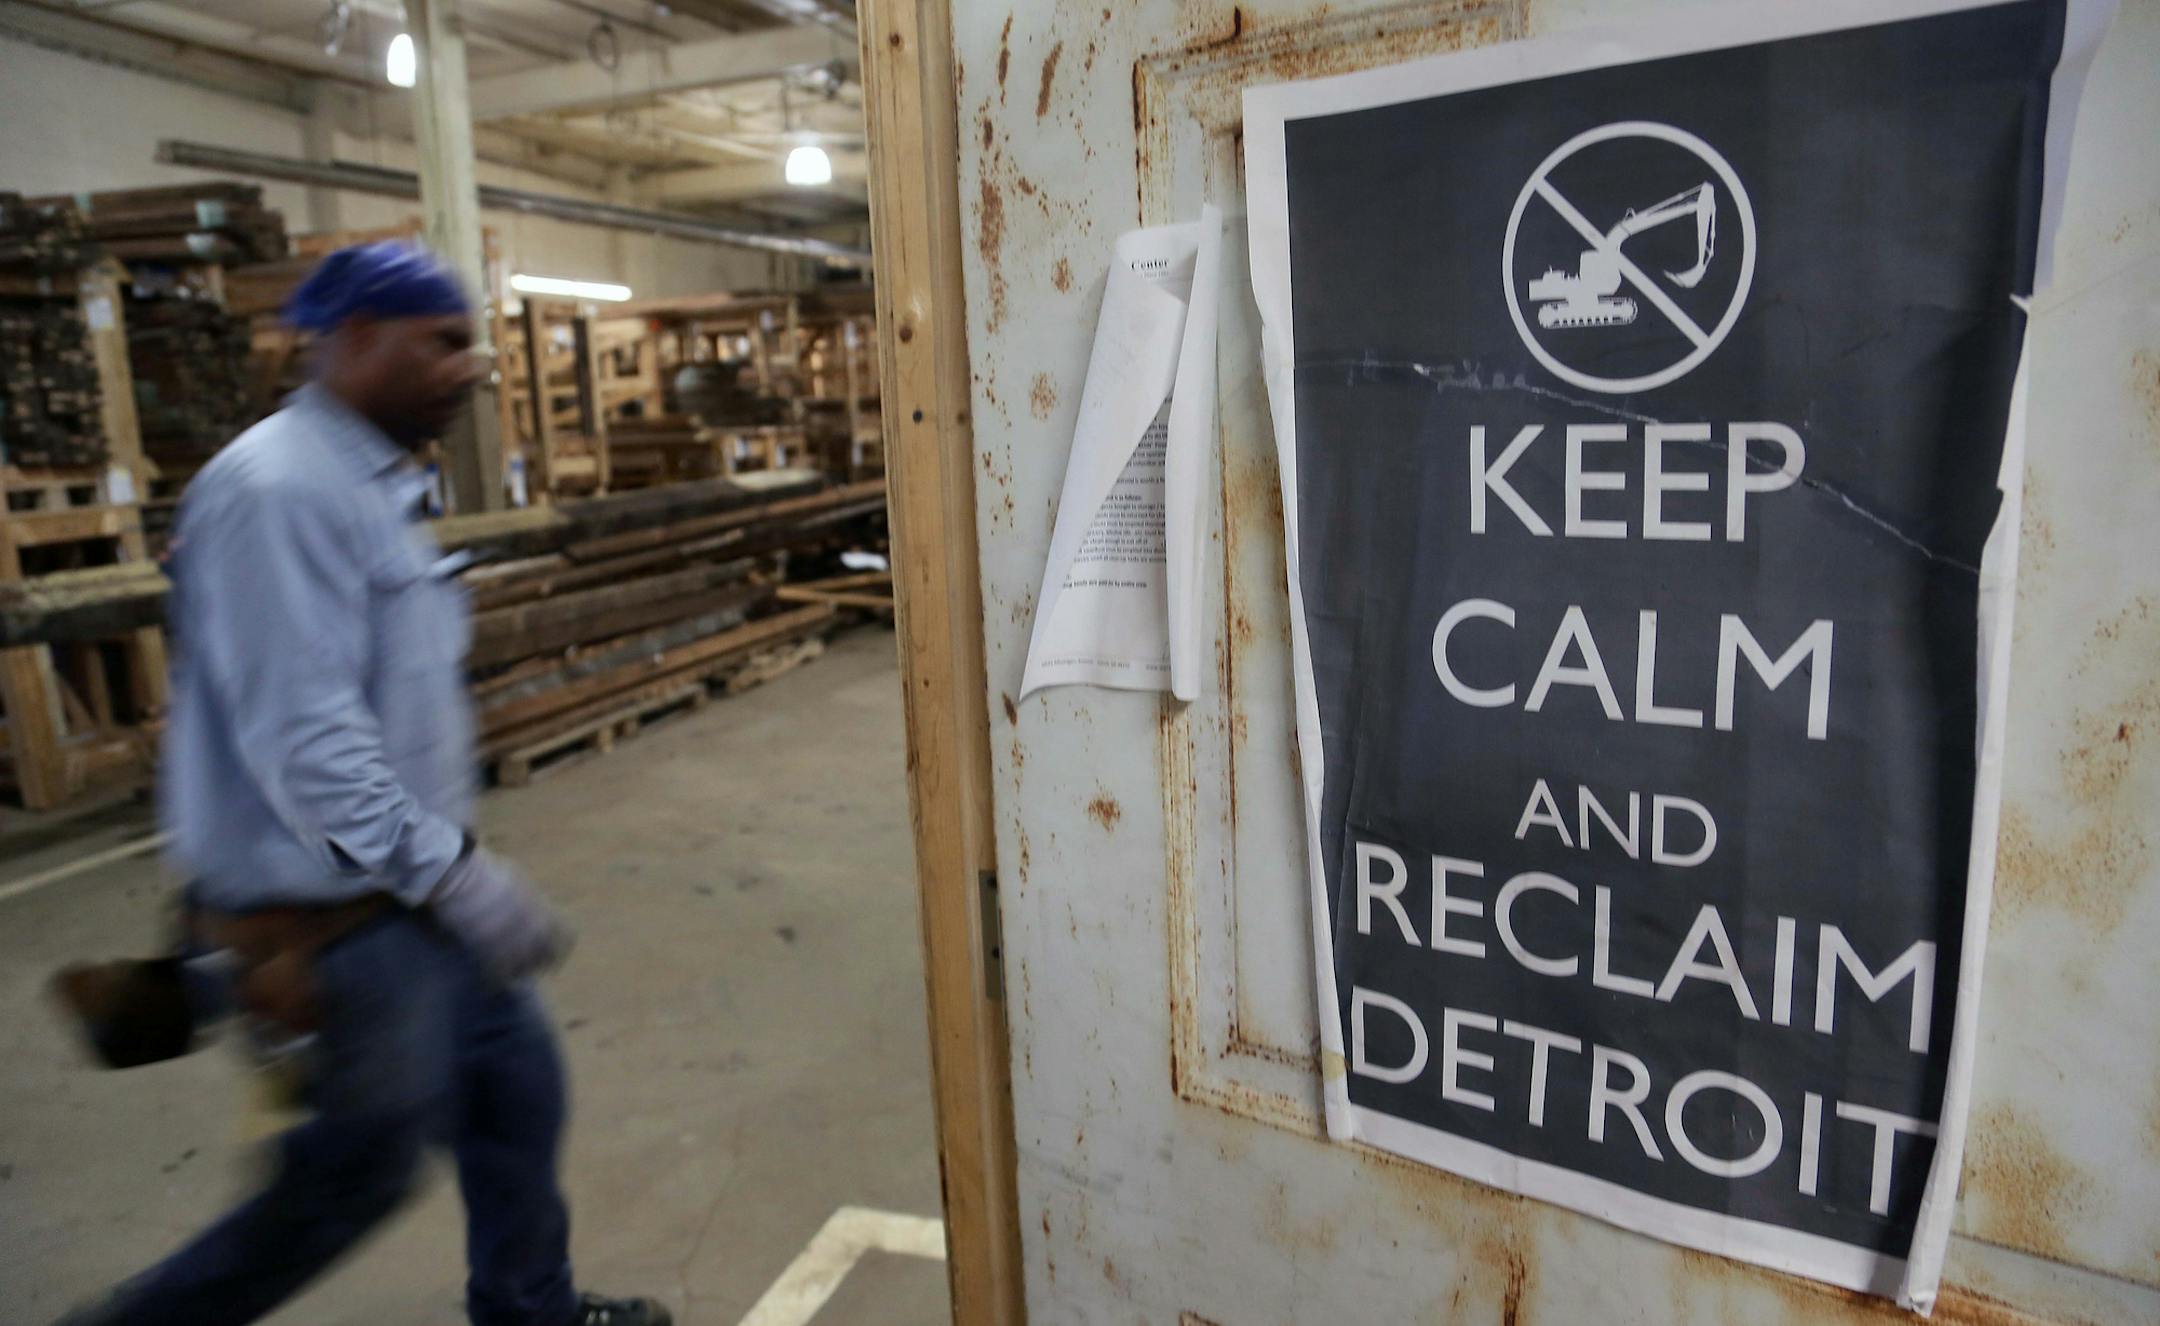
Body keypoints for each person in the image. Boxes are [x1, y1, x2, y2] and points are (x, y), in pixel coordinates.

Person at [57, 244, 670, 1326]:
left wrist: (448, 879)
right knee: (351, 1176)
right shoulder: (276, 490)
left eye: (468, 340)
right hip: (341, 929)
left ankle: (532, 1312)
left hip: (413, 900)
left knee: (517, 1093)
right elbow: (310, 748)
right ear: (350, 341)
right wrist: (462, 878)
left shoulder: (370, 483)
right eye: (438, 342)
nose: (468, 365)